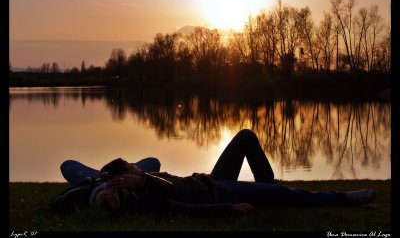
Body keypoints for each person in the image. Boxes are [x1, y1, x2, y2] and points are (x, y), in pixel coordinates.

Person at [53, 129, 376, 214]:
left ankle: (273, 189)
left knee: (246, 137)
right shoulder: (141, 197)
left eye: (134, 170)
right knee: (280, 196)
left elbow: (171, 181)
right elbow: (181, 206)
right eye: (134, 169)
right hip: (221, 193)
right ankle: (343, 197)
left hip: (209, 180)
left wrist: (100, 186)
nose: (139, 169)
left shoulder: (135, 183)